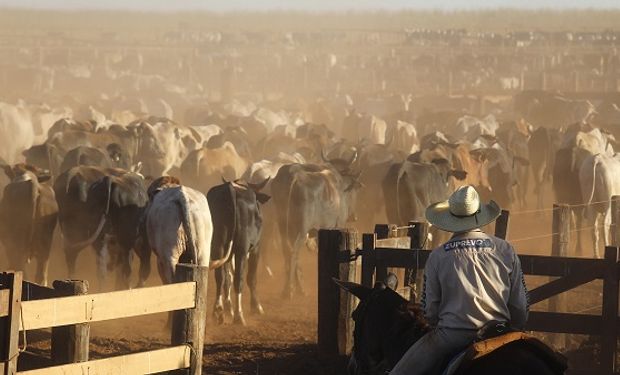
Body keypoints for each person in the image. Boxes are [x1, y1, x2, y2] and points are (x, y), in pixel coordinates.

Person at [390, 185, 529, 375]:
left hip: (452, 337)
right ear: (480, 215)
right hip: (499, 333)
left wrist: (436, 321)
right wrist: (514, 329)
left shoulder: (438, 256)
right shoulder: (505, 249)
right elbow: (520, 306)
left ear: (451, 217)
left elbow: (430, 310)